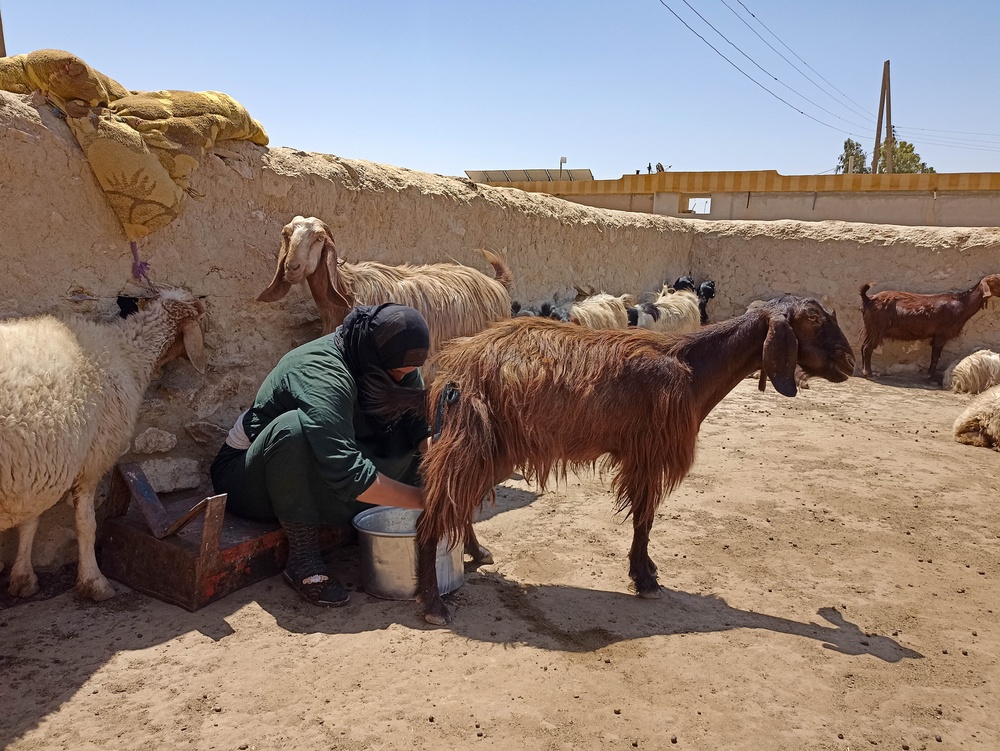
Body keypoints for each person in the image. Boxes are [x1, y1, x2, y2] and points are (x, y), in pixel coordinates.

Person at [210, 303, 432, 607]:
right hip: (249, 477)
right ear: (375, 359)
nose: (402, 379)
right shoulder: (323, 372)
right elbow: (348, 472)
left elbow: (420, 431)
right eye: (396, 373)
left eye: (408, 373)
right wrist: (427, 501)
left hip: (327, 457)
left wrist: (448, 473)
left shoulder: (395, 363)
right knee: (293, 431)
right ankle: (303, 559)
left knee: (408, 444)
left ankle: (363, 519)